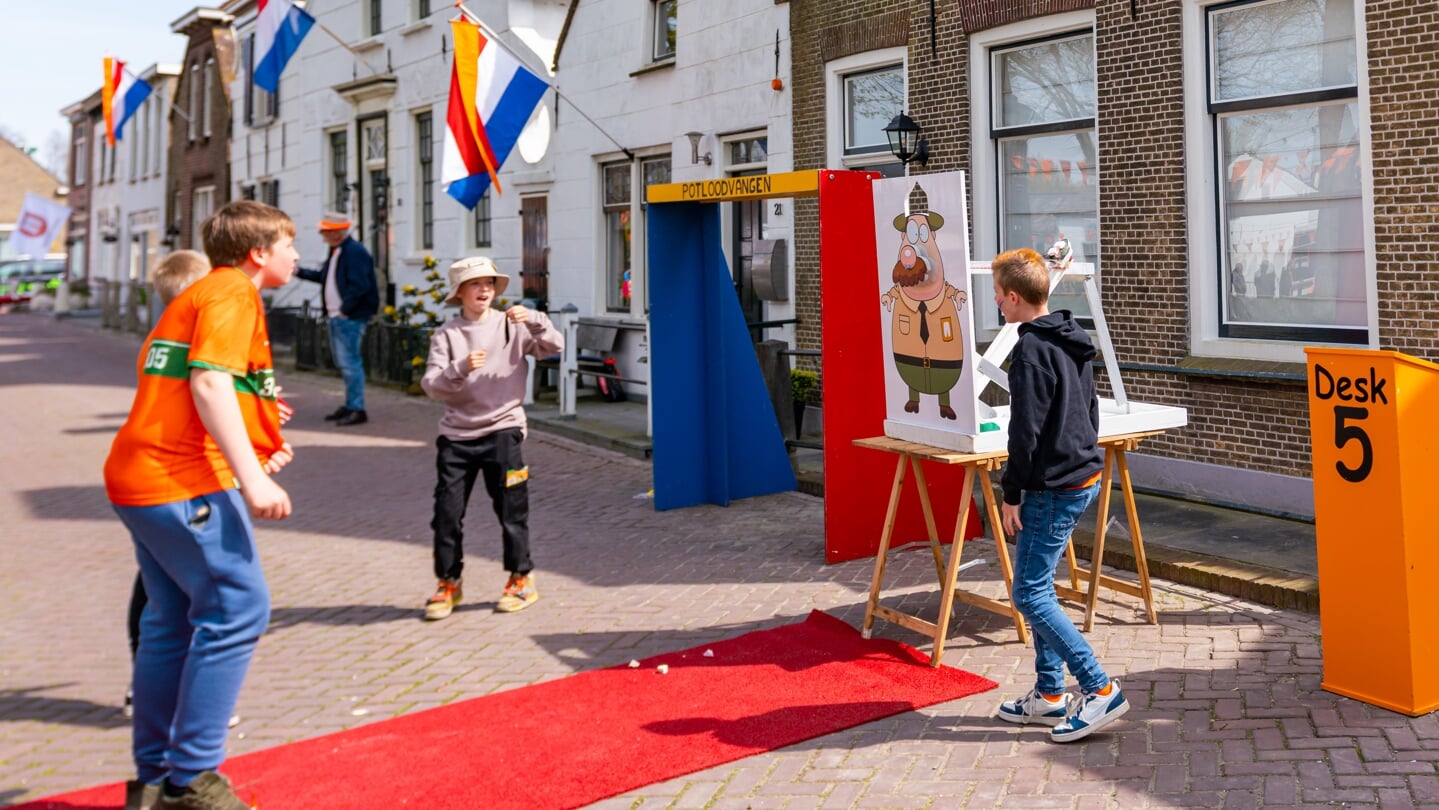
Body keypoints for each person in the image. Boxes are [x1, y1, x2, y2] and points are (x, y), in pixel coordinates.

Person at [105, 200, 298, 809]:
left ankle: (153, 777)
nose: (296, 255)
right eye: (289, 245)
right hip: (183, 482)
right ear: (259, 253)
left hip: (138, 477)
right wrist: (253, 480)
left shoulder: (190, 301)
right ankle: (191, 781)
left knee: (167, 623)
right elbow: (209, 382)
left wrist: (259, 424)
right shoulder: (234, 294)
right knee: (238, 609)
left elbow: (188, 385)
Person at [989, 246, 1129, 743]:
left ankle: (1099, 687)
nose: (997, 307)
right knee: (1040, 584)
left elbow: (1023, 433)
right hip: (1081, 475)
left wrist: (1011, 493)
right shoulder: (1073, 338)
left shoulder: (1029, 351)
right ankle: (1050, 694)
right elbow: (1090, 411)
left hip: (1053, 486)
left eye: (998, 299)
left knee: (1028, 591)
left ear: (1012, 297)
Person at [419, 257, 564, 620]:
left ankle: (521, 578)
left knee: (511, 509)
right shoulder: (447, 335)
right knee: (447, 513)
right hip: (456, 434)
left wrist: (534, 319)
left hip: (503, 428)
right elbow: (431, 386)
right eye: (474, 284)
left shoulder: (511, 325)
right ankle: (448, 582)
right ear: (460, 293)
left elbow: (555, 347)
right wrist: (460, 368)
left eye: (488, 283)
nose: (484, 290)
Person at [122, 250, 211, 720]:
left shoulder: (157, 339)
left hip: (148, 476)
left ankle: (144, 685)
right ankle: (181, 701)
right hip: (176, 480)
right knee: (199, 592)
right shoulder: (190, 345)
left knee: (156, 587)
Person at [295, 211, 378, 426]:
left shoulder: (353, 252)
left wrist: (344, 309)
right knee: (346, 363)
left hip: (347, 317)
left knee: (350, 363)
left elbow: (360, 285)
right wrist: (298, 272)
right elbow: (325, 277)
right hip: (339, 315)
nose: (322, 235)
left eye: (325, 231)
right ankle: (351, 405)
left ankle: (357, 408)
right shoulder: (339, 251)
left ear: (337, 233)